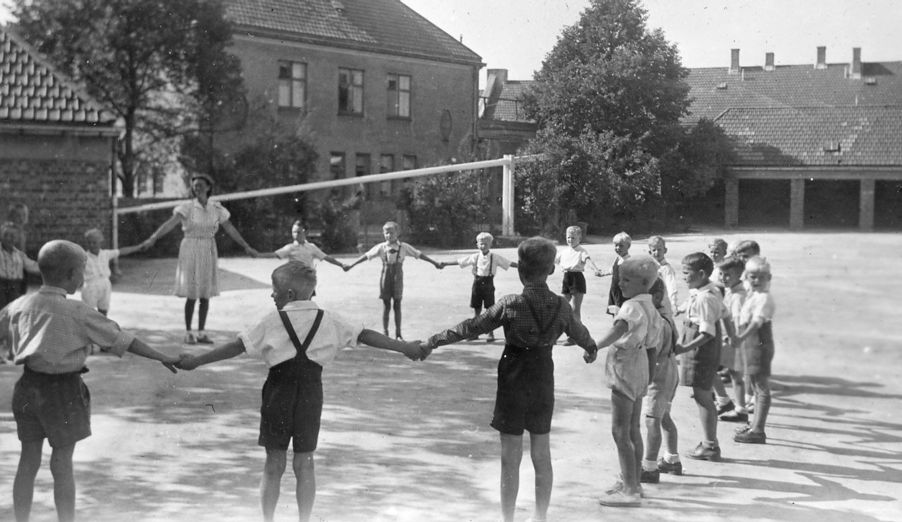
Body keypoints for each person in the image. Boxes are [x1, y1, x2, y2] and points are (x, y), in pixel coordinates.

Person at [175, 261, 424, 522]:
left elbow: (236, 347)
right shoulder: (329, 319)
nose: (272, 294)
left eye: (274, 289)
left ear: (289, 295)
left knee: (274, 464)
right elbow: (365, 335)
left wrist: (195, 361)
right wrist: (404, 348)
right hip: (310, 394)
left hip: (277, 394)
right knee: (305, 463)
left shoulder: (272, 320)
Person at [418, 237, 597, 522]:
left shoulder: (511, 303)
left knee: (510, 456)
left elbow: (471, 326)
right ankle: (540, 517)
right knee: (542, 451)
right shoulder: (562, 306)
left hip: (514, 377)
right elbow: (581, 333)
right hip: (542, 376)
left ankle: (508, 519)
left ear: (519, 270)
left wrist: (433, 341)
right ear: (552, 270)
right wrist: (591, 349)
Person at [1, 239, 179, 522]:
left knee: (28, 460)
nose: (83, 277)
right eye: (82, 271)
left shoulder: (19, 305)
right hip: (63, 391)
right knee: (61, 464)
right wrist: (161, 356)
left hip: (27, 388)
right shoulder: (78, 311)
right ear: (72, 275)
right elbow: (123, 340)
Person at [142, 173, 259, 345]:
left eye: (200, 186)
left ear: (208, 188)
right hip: (190, 248)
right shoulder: (187, 207)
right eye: (195, 186)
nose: (197, 189)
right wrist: (153, 238)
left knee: (205, 293)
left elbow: (230, 228)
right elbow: (169, 224)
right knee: (192, 293)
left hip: (208, 249)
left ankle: (202, 332)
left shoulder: (216, 208)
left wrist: (246, 246)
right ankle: (189, 332)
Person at [593, 256, 662, 507]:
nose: (620, 284)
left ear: (643, 283)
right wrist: (649, 375)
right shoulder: (652, 308)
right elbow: (654, 346)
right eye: (619, 279)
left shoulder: (631, 306)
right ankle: (632, 480)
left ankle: (630, 490)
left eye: (626, 280)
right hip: (642, 363)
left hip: (625, 363)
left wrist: (594, 346)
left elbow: (618, 330)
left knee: (620, 430)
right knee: (633, 428)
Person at [673, 252, 733, 462]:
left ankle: (710, 445)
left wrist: (684, 348)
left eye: (686, 273)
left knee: (703, 396)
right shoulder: (706, 290)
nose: (683, 277)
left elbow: (707, 334)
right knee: (702, 394)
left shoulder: (706, 298)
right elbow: (725, 314)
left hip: (701, 348)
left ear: (700, 274)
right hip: (699, 344)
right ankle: (710, 442)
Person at [344, 221, 443, 340]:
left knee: (397, 304)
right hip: (386, 276)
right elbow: (366, 256)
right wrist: (351, 265)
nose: (389, 235)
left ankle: (398, 333)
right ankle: (385, 333)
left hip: (398, 276)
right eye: (386, 233)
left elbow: (418, 254)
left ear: (398, 233)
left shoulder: (404, 247)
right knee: (386, 305)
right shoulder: (381, 247)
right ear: (383, 234)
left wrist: (435, 263)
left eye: (391, 233)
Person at [640, 277, 682, 484]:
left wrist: (643, 377)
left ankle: (649, 466)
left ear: (656, 297)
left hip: (659, 374)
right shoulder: (666, 317)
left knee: (652, 420)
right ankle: (672, 459)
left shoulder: (657, 322)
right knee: (663, 415)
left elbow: (652, 355)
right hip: (671, 369)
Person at [440, 231, 517, 342]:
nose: (483, 246)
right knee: (477, 310)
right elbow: (460, 261)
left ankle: (491, 334)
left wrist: (523, 266)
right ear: (477, 244)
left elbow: (509, 263)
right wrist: (446, 263)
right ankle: (474, 333)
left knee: (491, 310)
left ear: (491, 244)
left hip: (489, 284)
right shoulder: (475, 257)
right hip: (477, 284)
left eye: (485, 243)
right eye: (480, 243)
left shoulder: (495, 257)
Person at [733, 256, 776, 444]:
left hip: (758, 342)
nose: (756, 281)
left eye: (761, 277)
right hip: (749, 343)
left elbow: (757, 322)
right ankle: (754, 426)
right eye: (753, 277)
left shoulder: (765, 298)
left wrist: (740, 337)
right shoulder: (753, 295)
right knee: (754, 384)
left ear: (769, 278)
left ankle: (758, 429)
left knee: (761, 386)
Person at [714, 257, 750, 423]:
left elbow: (737, 321)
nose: (723, 278)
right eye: (721, 273)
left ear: (739, 275)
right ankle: (731, 403)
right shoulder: (732, 291)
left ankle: (737, 407)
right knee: (734, 375)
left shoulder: (737, 296)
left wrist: (732, 338)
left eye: (728, 275)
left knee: (735, 375)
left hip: (733, 340)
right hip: (729, 339)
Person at [554, 225, 603, 345]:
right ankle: (554, 335)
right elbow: (552, 261)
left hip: (577, 279)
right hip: (567, 278)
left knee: (575, 310)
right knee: (562, 308)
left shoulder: (582, 251)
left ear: (579, 238)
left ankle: (575, 337)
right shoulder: (563, 251)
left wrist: (596, 269)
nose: (570, 240)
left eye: (573, 238)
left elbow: (588, 261)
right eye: (568, 237)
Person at [80, 227, 145, 316]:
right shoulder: (83, 257)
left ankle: (102, 328)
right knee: (88, 312)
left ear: (100, 242)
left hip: (105, 284)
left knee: (103, 310)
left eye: (94, 242)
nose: (92, 245)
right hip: (90, 286)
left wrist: (138, 247)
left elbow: (121, 251)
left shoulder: (105, 254)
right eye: (89, 243)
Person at [259, 220, 347, 273]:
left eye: (298, 232)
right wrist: (257, 255)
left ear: (306, 233)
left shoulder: (312, 247)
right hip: (295, 279)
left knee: (307, 302)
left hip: (308, 279)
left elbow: (326, 257)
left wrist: (341, 265)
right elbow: (274, 254)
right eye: (293, 232)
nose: (295, 234)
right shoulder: (289, 248)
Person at [0, 222, 39, 308]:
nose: (8, 238)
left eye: (12, 236)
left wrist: (46, 267)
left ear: (17, 239)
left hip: (15, 287)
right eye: (5, 235)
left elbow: (32, 266)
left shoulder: (19, 255)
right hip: (1, 286)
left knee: (14, 309)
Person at [599, 231, 632, 316]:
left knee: (622, 314)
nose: (618, 248)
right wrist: (603, 273)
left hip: (623, 293)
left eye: (621, 246)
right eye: (616, 245)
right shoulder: (617, 259)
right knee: (614, 312)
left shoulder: (629, 261)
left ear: (628, 246)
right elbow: (613, 270)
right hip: (614, 291)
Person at [647, 235, 678, 308]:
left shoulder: (666, 269)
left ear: (665, 250)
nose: (657, 252)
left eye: (659, 249)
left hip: (663, 303)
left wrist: (673, 303)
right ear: (650, 252)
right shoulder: (648, 267)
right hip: (650, 302)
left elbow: (671, 286)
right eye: (654, 250)